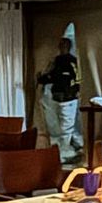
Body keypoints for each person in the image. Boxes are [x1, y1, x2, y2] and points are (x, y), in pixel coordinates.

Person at [36, 36, 82, 164]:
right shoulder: (58, 61)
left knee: (66, 127)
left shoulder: (71, 62)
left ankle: (64, 152)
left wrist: (75, 90)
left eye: (64, 45)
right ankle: (61, 151)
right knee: (57, 126)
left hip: (68, 97)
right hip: (58, 95)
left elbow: (76, 79)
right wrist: (42, 79)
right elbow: (52, 76)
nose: (62, 48)